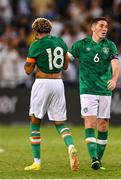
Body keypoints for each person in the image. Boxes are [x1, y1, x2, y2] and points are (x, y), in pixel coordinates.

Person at [24, 18, 79, 171]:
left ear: (35, 32)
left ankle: (37, 163)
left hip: (42, 83)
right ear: (50, 30)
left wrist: (30, 62)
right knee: (60, 123)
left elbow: (28, 70)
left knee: (35, 121)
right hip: (58, 83)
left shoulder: (36, 45)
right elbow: (66, 66)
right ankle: (71, 146)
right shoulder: (60, 42)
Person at [68, 17, 120, 170]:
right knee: (89, 122)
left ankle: (98, 159)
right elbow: (66, 59)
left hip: (104, 89)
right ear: (93, 28)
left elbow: (116, 63)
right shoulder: (81, 45)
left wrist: (115, 78)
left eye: (107, 26)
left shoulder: (110, 45)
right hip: (87, 90)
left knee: (103, 124)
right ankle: (94, 159)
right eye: (102, 25)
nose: (105, 29)